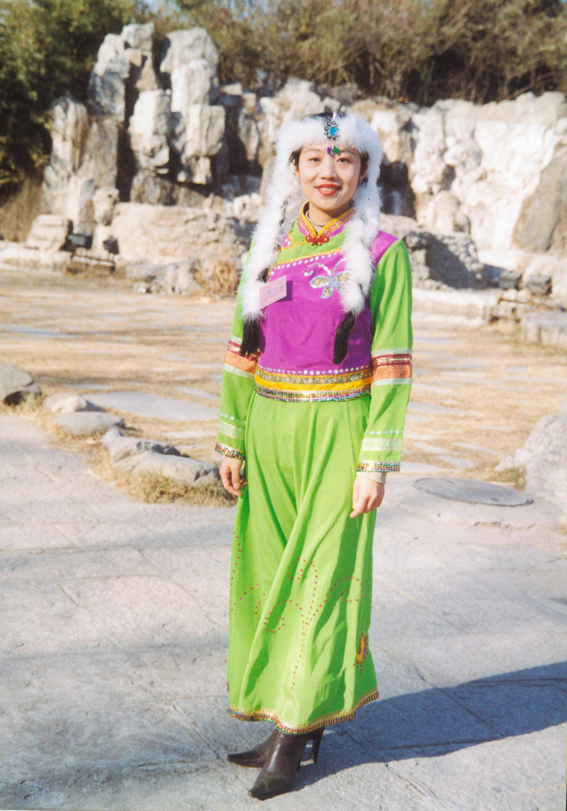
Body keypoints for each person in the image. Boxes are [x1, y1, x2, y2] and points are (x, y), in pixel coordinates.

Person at [215, 110, 413, 800]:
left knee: (323, 579)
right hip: (269, 426)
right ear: (294, 169)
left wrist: (374, 461)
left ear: (364, 172)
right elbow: (242, 348)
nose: (329, 173)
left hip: (339, 430)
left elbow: (393, 363)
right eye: (314, 160)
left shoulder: (384, 252)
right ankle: (284, 714)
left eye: (345, 161)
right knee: (272, 576)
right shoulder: (268, 246)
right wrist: (232, 437)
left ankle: (294, 734)